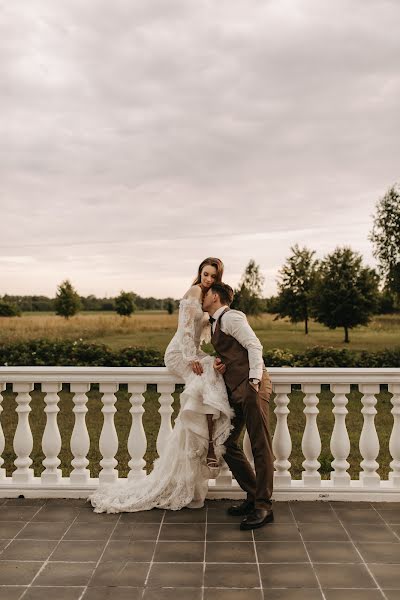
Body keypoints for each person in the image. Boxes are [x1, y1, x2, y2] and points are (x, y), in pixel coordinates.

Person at [88, 258, 233, 513]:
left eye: (213, 276)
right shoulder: (194, 291)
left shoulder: (209, 297)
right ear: (199, 272)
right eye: (205, 273)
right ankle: (206, 444)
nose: (208, 279)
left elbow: (204, 335)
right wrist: (190, 358)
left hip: (193, 351)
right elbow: (185, 329)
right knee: (204, 382)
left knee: (210, 378)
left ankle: (202, 448)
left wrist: (210, 356)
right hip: (178, 353)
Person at [202, 282, 274, 530]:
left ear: (215, 296)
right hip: (235, 389)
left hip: (251, 387)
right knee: (226, 443)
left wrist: (254, 381)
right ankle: (254, 495)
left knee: (260, 445)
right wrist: (222, 364)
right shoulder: (214, 323)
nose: (202, 296)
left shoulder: (231, 317)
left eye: (205, 294)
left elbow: (254, 345)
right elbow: (234, 352)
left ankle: (263, 507)